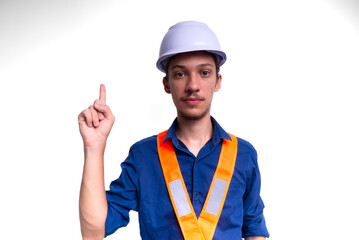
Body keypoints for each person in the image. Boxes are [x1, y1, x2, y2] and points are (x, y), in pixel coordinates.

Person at [78, 21, 269, 240]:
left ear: (218, 81)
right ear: (166, 84)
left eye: (205, 72)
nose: (193, 85)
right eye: (180, 74)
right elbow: (93, 231)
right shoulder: (143, 157)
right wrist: (94, 148)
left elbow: (254, 230)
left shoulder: (243, 155)